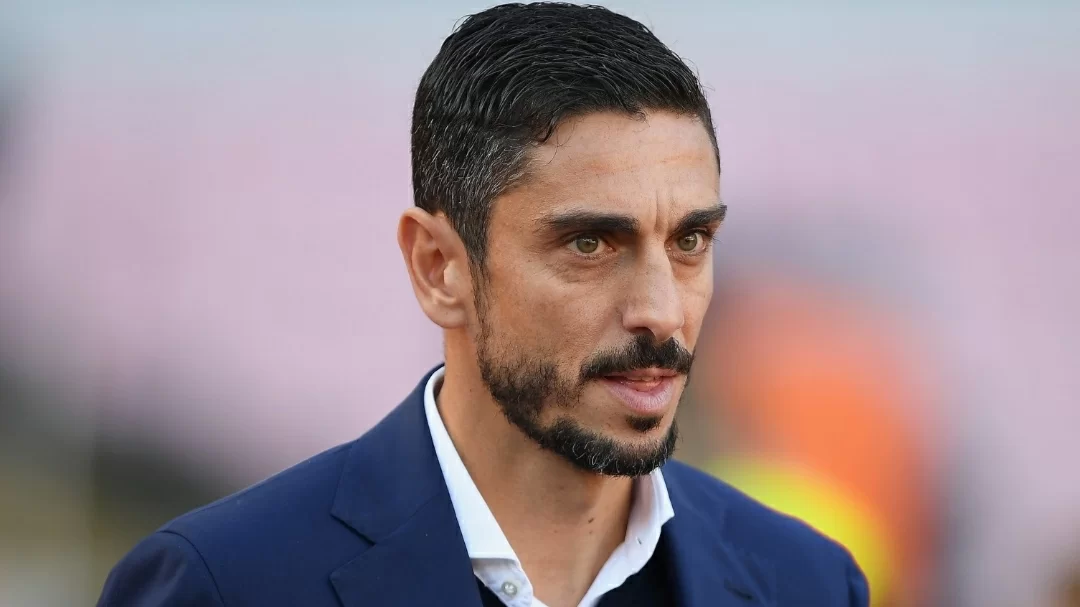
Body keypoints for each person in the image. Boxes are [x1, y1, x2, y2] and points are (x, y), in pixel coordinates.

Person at [97, 3, 869, 606]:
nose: (663, 312)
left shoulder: (808, 583)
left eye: (690, 241)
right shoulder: (228, 584)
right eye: (590, 244)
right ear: (439, 267)